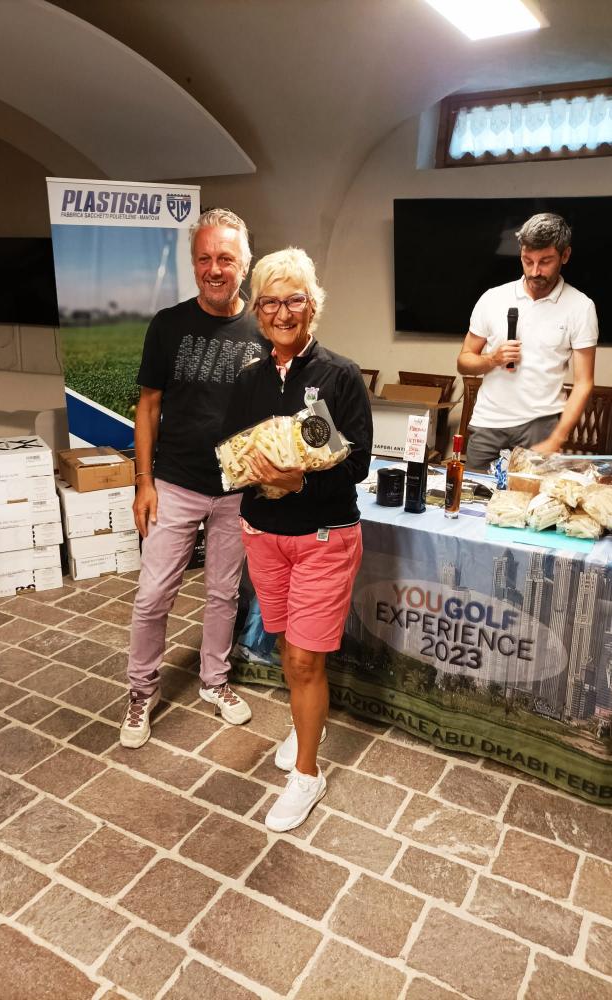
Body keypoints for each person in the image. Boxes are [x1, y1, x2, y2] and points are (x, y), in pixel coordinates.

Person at [223, 247, 372, 831]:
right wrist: (251, 470)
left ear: (313, 306)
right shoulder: (249, 379)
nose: (282, 313)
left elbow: (356, 464)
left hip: (322, 537)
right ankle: (307, 723)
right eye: (269, 302)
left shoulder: (340, 376)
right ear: (257, 311)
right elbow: (231, 455)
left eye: (294, 300)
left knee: (307, 658)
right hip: (264, 535)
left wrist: (301, 477)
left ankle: (307, 775)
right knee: (289, 647)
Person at [120, 208, 267, 749]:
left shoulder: (263, 328)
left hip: (238, 491)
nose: (214, 269)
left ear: (244, 264)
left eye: (225, 258)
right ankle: (141, 691)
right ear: (193, 263)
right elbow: (148, 406)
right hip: (176, 483)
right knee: (152, 594)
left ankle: (214, 680)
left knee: (223, 593)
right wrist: (143, 481)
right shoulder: (168, 325)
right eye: (203, 258)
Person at [457, 212, 598, 471]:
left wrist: (557, 438)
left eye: (545, 261)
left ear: (565, 255)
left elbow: (584, 382)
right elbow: (464, 361)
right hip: (488, 422)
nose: (535, 271)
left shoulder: (581, 307)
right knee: (474, 493)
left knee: (530, 496)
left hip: (541, 425)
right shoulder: (492, 298)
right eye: (527, 260)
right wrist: (492, 359)